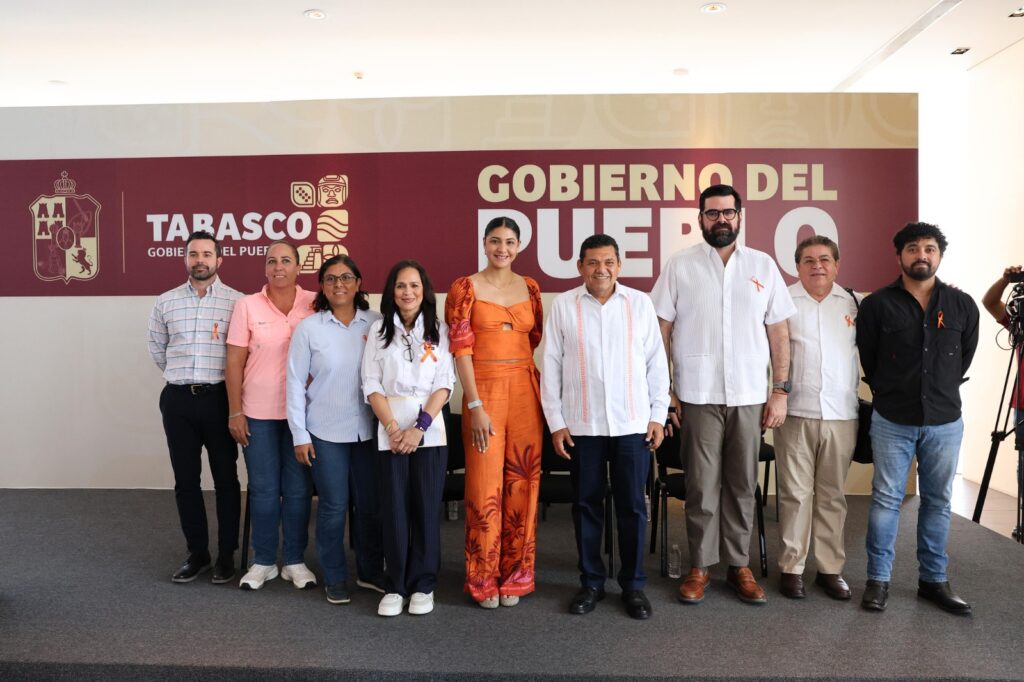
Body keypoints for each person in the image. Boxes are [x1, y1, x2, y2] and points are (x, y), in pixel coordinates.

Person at [651, 183, 796, 605]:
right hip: (697, 395)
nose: (720, 220)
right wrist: (666, 392)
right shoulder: (680, 266)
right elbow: (660, 330)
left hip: (750, 395)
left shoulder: (763, 266)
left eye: (727, 213)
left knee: (741, 484)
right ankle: (700, 566)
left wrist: (780, 390)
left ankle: (738, 565)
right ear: (700, 219)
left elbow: (779, 333)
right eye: (711, 213)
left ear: (740, 216)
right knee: (700, 484)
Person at [541, 234, 669, 620]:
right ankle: (591, 582)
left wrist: (658, 415)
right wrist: (556, 423)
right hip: (583, 425)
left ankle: (633, 586)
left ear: (620, 264)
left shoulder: (639, 304)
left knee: (633, 506)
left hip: (632, 424)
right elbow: (551, 367)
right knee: (586, 506)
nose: (601, 269)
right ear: (580, 266)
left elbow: (656, 364)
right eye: (593, 262)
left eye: (609, 261)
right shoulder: (564, 306)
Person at [857, 222, 979, 615]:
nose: (921, 255)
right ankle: (878, 580)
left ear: (939, 255)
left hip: (945, 421)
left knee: (938, 502)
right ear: (900, 256)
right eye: (913, 249)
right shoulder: (877, 305)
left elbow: (964, 356)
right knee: (886, 500)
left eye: (929, 248)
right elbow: (869, 359)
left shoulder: (962, 305)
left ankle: (933, 580)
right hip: (893, 418)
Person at [445, 216, 544, 608]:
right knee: (484, 487)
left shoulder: (531, 288)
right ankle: (483, 579)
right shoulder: (465, 287)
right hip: (481, 390)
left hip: (524, 389)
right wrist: (474, 403)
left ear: (519, 246)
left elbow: (532, 340)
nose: (502, 248)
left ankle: (517, 575)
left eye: (510, 241)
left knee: (524, 483)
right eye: (495, 240)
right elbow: (460, 348)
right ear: (484, 244)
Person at [286, 255, 385, 605]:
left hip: (370, 432)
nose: (338, 284)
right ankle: (335, 576)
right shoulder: (310, 328)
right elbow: (295, 383)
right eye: (330, 279)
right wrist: (300, 435)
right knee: (333, 506)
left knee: (371, 506)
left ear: (358, 283)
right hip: (325, 434)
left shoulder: (375, 323)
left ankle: (371, 572)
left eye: (346, 277)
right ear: (322, 287)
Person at [148, 230, 243, 584]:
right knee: (186, 481)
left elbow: (244, 355)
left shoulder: (238, 302)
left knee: (226, 480)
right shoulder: (166, 301)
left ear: (219, 260)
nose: (199, 260)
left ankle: (226, 555)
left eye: (207, 254)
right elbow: (157, 349)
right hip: (178, 401)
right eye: (193, 254)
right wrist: (182, 378)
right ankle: (198, 552)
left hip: (220, 399)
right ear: (185, 259)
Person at [362, 260, 455, 617]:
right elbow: (370, 383)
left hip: (428, 430)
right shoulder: (379, 331)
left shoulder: (440, 330)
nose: (408, 292)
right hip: (389, 429)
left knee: (425, 508)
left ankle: (423, 584)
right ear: (391, 292)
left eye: (414, 285)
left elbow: (444, 382)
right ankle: (396, 584)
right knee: (395, 510)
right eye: (401, 286)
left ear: (425, 290)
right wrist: (392, 428)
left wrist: (418, 428)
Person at [226, 241, 317, 590]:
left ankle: (294, 560)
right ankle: (263, 560)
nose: (278, 266)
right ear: (265, 268)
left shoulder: (315, 302)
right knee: (264, 489)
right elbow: (234, 362)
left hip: (304, 417)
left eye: (286, 260)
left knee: (297, 490)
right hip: (258, 414)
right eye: (271, 261)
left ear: (298, 267)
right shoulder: (247, 306)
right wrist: (235, 411)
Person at [773, 236, 859, 600]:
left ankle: (829, 569)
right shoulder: (783, 302)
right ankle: (792, 567)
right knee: (794, 494)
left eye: (825, 259)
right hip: (796, 411)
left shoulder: (854, 304)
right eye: (808, 260)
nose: (817, 265)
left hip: (841, 413)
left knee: (832, 495)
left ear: (837, 264)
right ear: (797, 267)